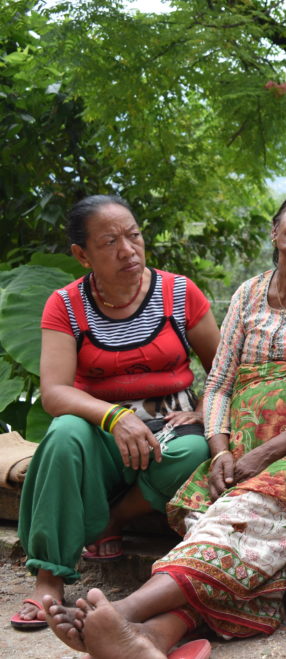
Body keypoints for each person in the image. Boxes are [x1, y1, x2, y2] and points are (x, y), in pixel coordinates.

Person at [41, 187, 286, 658]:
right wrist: (221, 451)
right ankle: (156, 637)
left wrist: (266, 453)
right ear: (275, 229)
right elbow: (219, 385)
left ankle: (122, 614)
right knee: (226, 535)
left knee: (235, 525)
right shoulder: (248, 294)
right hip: (239, 455)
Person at [12, 195, 219, 631]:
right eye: (109, 242)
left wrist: (202, 409)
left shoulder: (179, 293)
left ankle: (109, 520)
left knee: (196, 451)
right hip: (97, 427)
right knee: (64, 434)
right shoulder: (65, 304)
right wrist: (111, 417)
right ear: (82, 254)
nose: (128, 249)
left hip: (169, 427)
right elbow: (54, 393)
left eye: (134, 235)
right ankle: (49, 577)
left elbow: (223, 368)